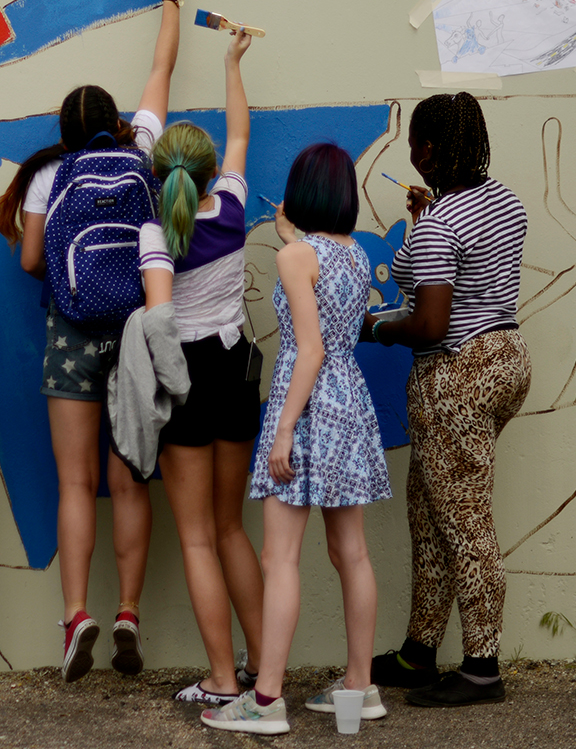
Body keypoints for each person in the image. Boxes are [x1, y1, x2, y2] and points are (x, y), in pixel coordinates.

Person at [0, 0, 188, 682]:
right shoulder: (139, 151)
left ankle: (78, 614)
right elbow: (161, 70)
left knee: (77, 485)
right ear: (114, 123)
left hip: (71, 336)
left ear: (64, 132)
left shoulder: (52, 175)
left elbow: (30, 261)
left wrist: (71, 279)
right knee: (131, 477)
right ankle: (131, 610)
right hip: (137, 335)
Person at [202, 143, 392, 734]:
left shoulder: (294, 259)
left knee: (279, 556)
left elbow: (306, 348)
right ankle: (360, 689)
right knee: (351, 552)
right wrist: (291, 235)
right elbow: (329, 320)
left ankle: (264, 701)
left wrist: (283, 428)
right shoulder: (354, 254)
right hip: (349, 401)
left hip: (306, 404)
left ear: (301, 191)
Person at [363, 92, 531, 707]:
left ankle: (482, 667)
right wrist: (431, 212)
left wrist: (375, 327)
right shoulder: (502, 202)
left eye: (414, 145)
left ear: (429, 150)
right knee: (429, 511)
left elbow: (430, 325)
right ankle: (419, 652)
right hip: (505, 359)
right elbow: (468, 259)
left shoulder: (439, 224)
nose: (411, 154)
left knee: (464, 521)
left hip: (455, 373)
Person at [138, 32, 264, 704]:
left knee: (194, 539)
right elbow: (240, 133)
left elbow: (159, 324)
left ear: (157, 171)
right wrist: (232, 64)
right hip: (234, 369)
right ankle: (259, 670)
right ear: (210, 166)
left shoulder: (156, 231)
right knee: (229, 528)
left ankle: (220, 681)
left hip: (184, 379)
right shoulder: (235, 204)